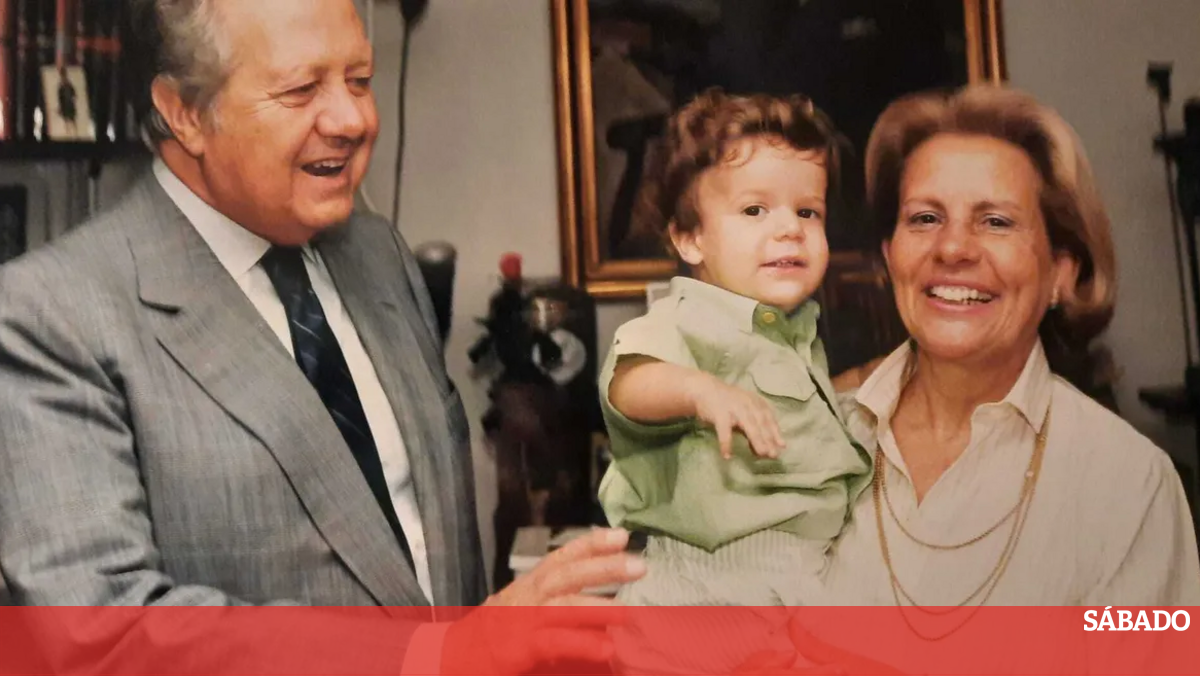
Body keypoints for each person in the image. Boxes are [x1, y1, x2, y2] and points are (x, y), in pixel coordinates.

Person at [0, 0, 643, 673]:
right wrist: (435, 655)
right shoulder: (54, 314)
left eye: (360, 81)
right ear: (185, 112)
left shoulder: (379, 255)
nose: (352, 120)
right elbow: (102, 633)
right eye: (301, 89)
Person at [769, 84, 1200, 673]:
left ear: (1061, 272)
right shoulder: (805, 433)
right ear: (891, 254)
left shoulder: (1129, 485)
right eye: (925, 218)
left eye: (996, 221)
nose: (952, 248)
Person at [596, 88, 873, 674]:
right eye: (754, 211)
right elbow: (629, 382)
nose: (790, 229)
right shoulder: (690, 318)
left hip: (791, 588)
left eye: (808, 212)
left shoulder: (796, 334)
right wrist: (702, 393)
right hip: (705, 593)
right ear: (690, 238)